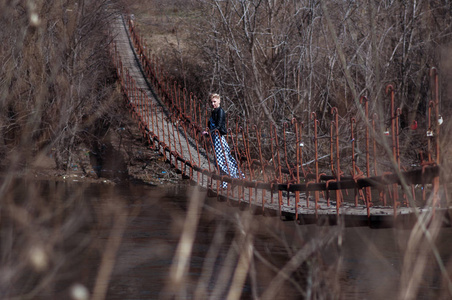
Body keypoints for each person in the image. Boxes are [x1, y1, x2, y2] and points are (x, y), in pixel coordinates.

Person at [203, 93, 244, 188]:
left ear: (219, 101)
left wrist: (209, 133)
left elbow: (219, 126)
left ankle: (235, 177)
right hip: (214, 137)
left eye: (214, 101)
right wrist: (207, 131)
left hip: (218, 137)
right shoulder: (214, 112)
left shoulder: (220, 111)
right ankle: (225, 182)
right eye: (211, 102)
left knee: (222, 160)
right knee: (218, 161)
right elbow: (211, 125)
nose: (213, 103)